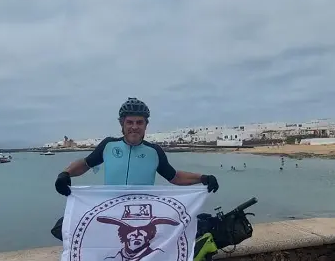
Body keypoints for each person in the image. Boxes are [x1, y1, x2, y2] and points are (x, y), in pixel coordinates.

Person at [52, 98, 219, 238]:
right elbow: (85, 164)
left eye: (139, 122)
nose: (134, 126)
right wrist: (65, 174)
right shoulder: (109, 145)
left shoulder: (154, 152)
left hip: (143, 216)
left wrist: (203, 178)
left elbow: (174, 177)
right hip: (111, 211)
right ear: (122, 124)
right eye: (129, 122)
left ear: (146, 125)